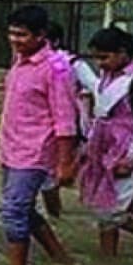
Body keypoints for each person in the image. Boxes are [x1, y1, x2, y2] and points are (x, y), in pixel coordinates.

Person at [0, 6, 78, 265]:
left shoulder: (56, 68)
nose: (14, 40)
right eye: (11, 33)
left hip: (35, 151)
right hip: (11, 149)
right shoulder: (19, 61)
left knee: (12, 212)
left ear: (41, 35)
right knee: (23, 210)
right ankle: (61, 258)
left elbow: (65, 119)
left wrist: (66, 163)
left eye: (21, 35)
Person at [79, 27, 133, 258]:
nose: (100, 63)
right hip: (102, 149)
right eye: (97, 58)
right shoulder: (106, 78)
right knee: (102, 205)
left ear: (123, 53)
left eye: (104, 57)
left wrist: (132, 159)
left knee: (111, 210)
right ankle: (108, 258)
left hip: (126, 151)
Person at [39, 21, 99, 218]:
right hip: (42, 129)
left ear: (55, 41)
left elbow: (97, 87)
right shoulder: (31, 63)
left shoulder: (73, 64)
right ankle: (54, 215)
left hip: (69, 128)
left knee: (55, 175)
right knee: (47, 176)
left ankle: (56, 215)